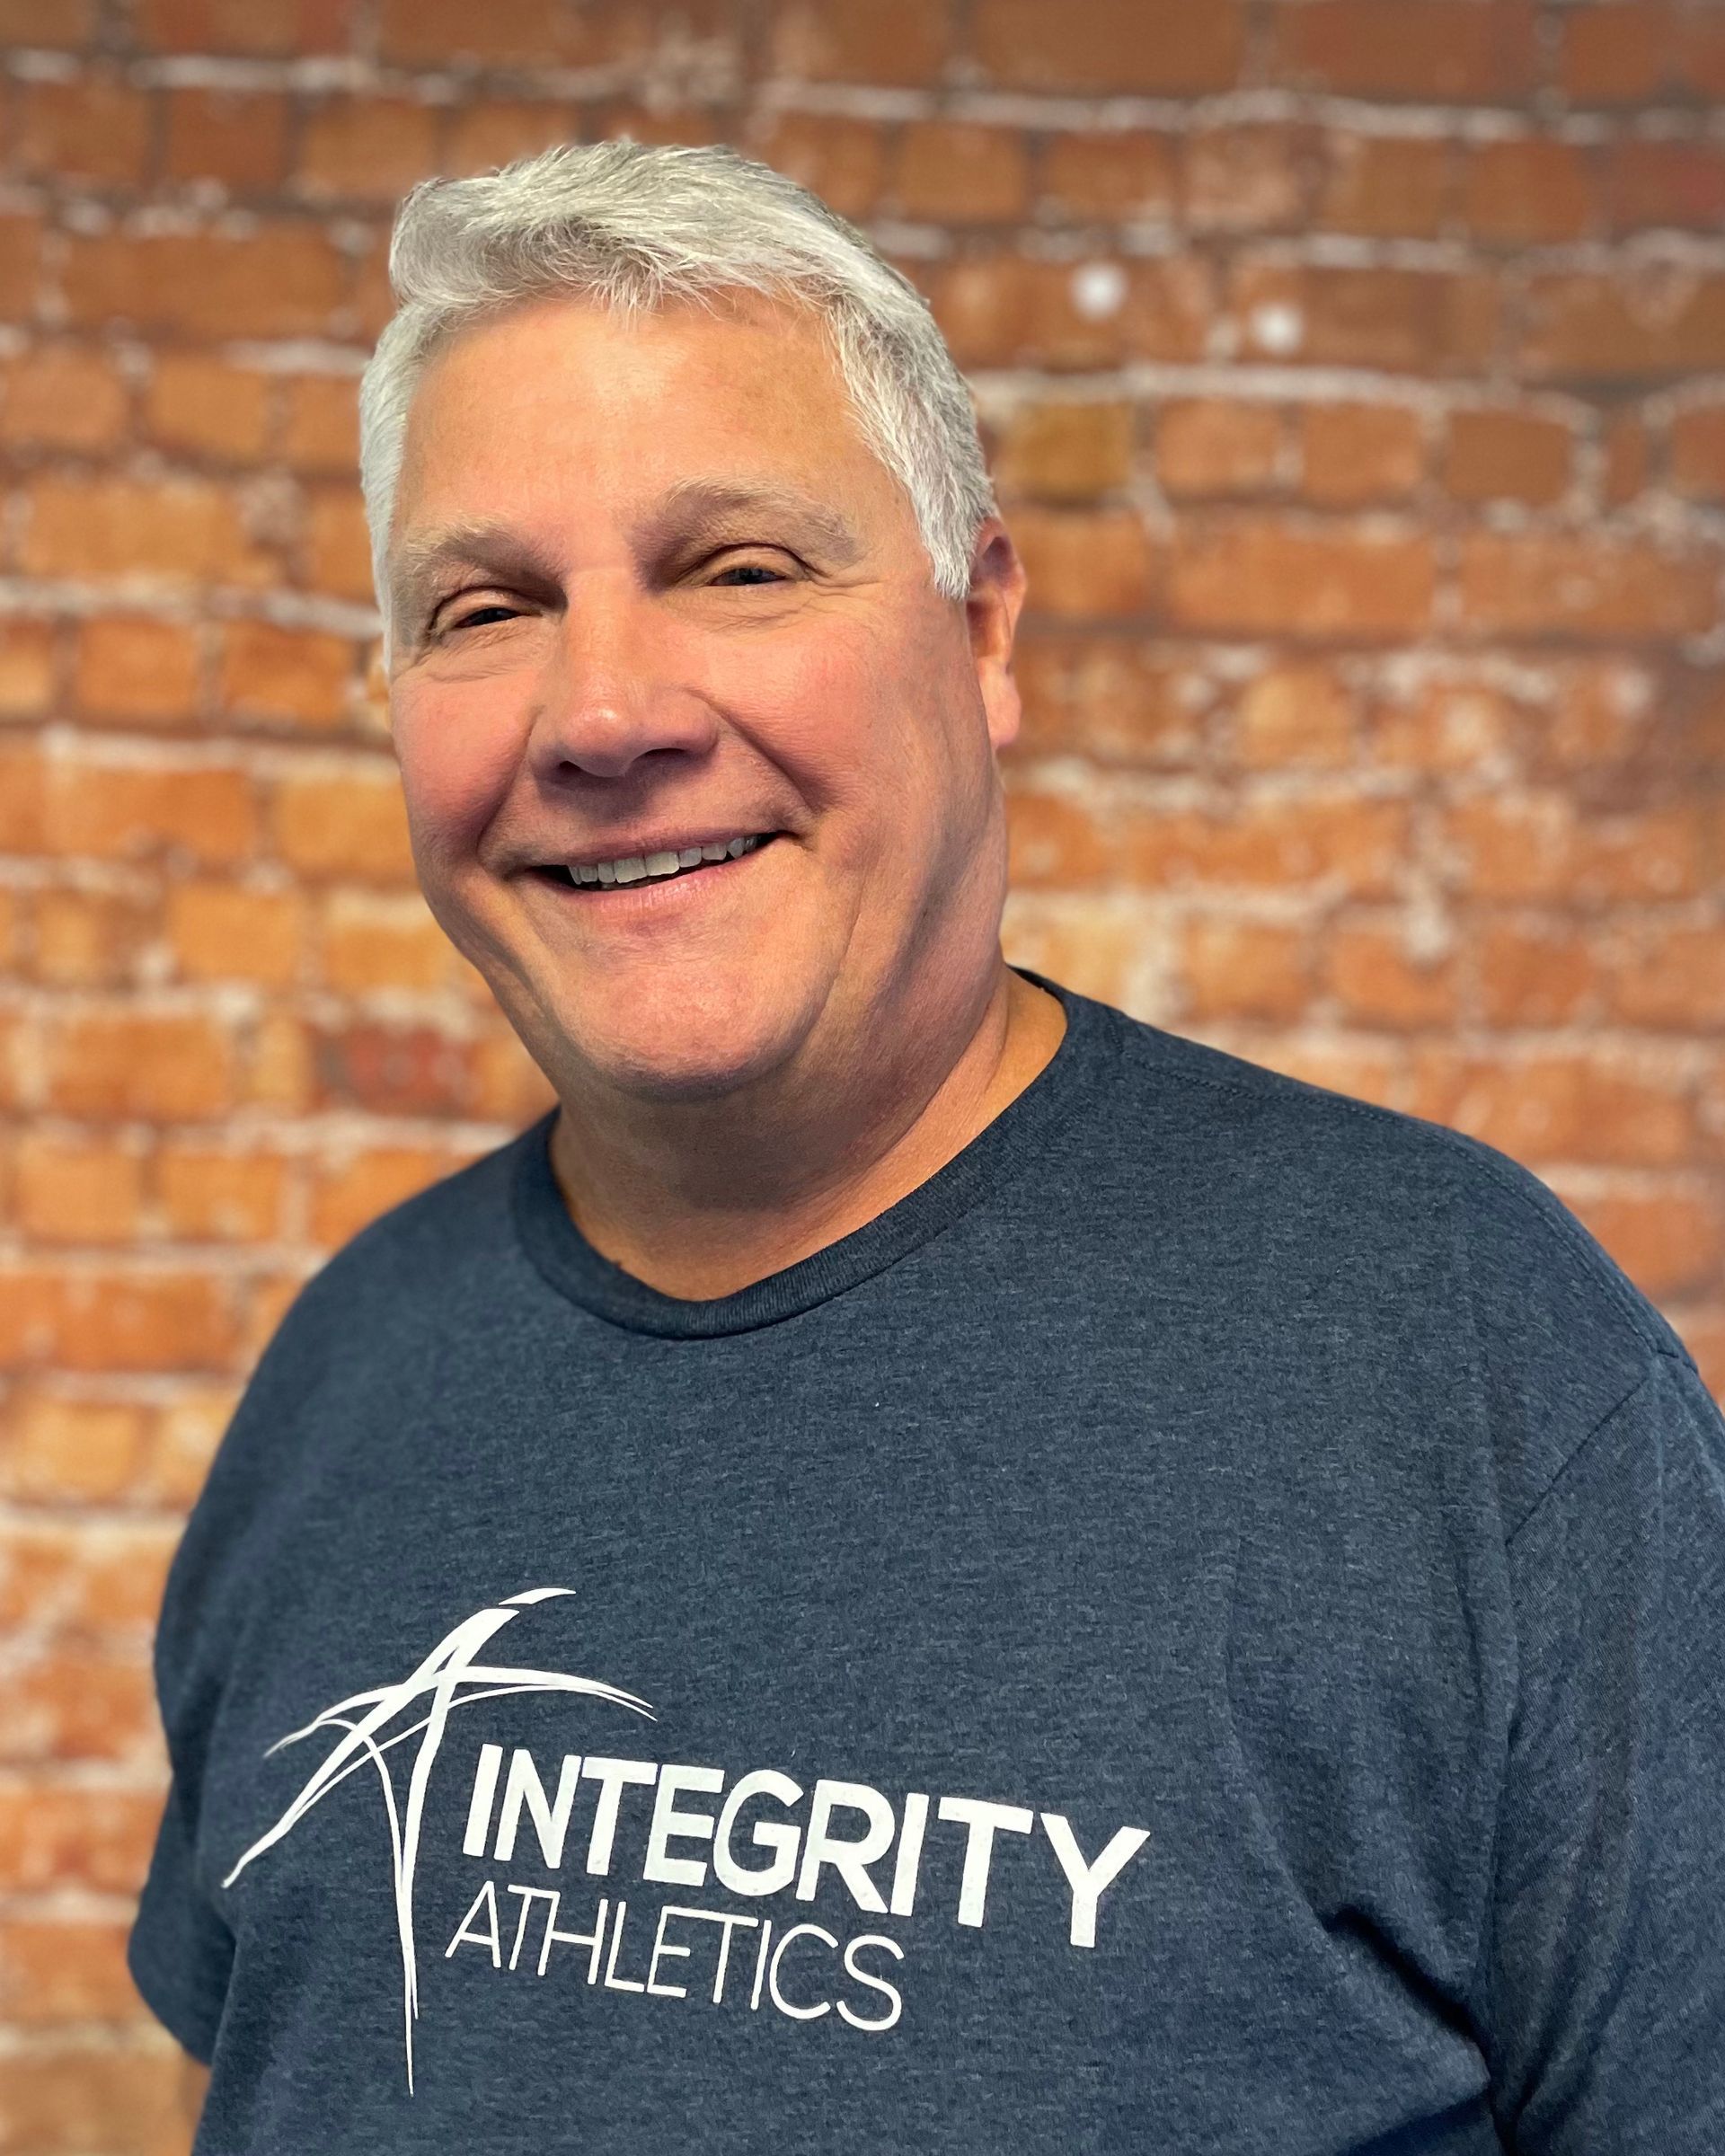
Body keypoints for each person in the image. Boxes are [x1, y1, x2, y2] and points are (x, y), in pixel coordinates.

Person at [128, 141, 1724, 2155]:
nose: (603, 710)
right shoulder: (352, 1373)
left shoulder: (1461, 1367)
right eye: (485, 606)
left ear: (982, 630)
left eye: (739, 567)